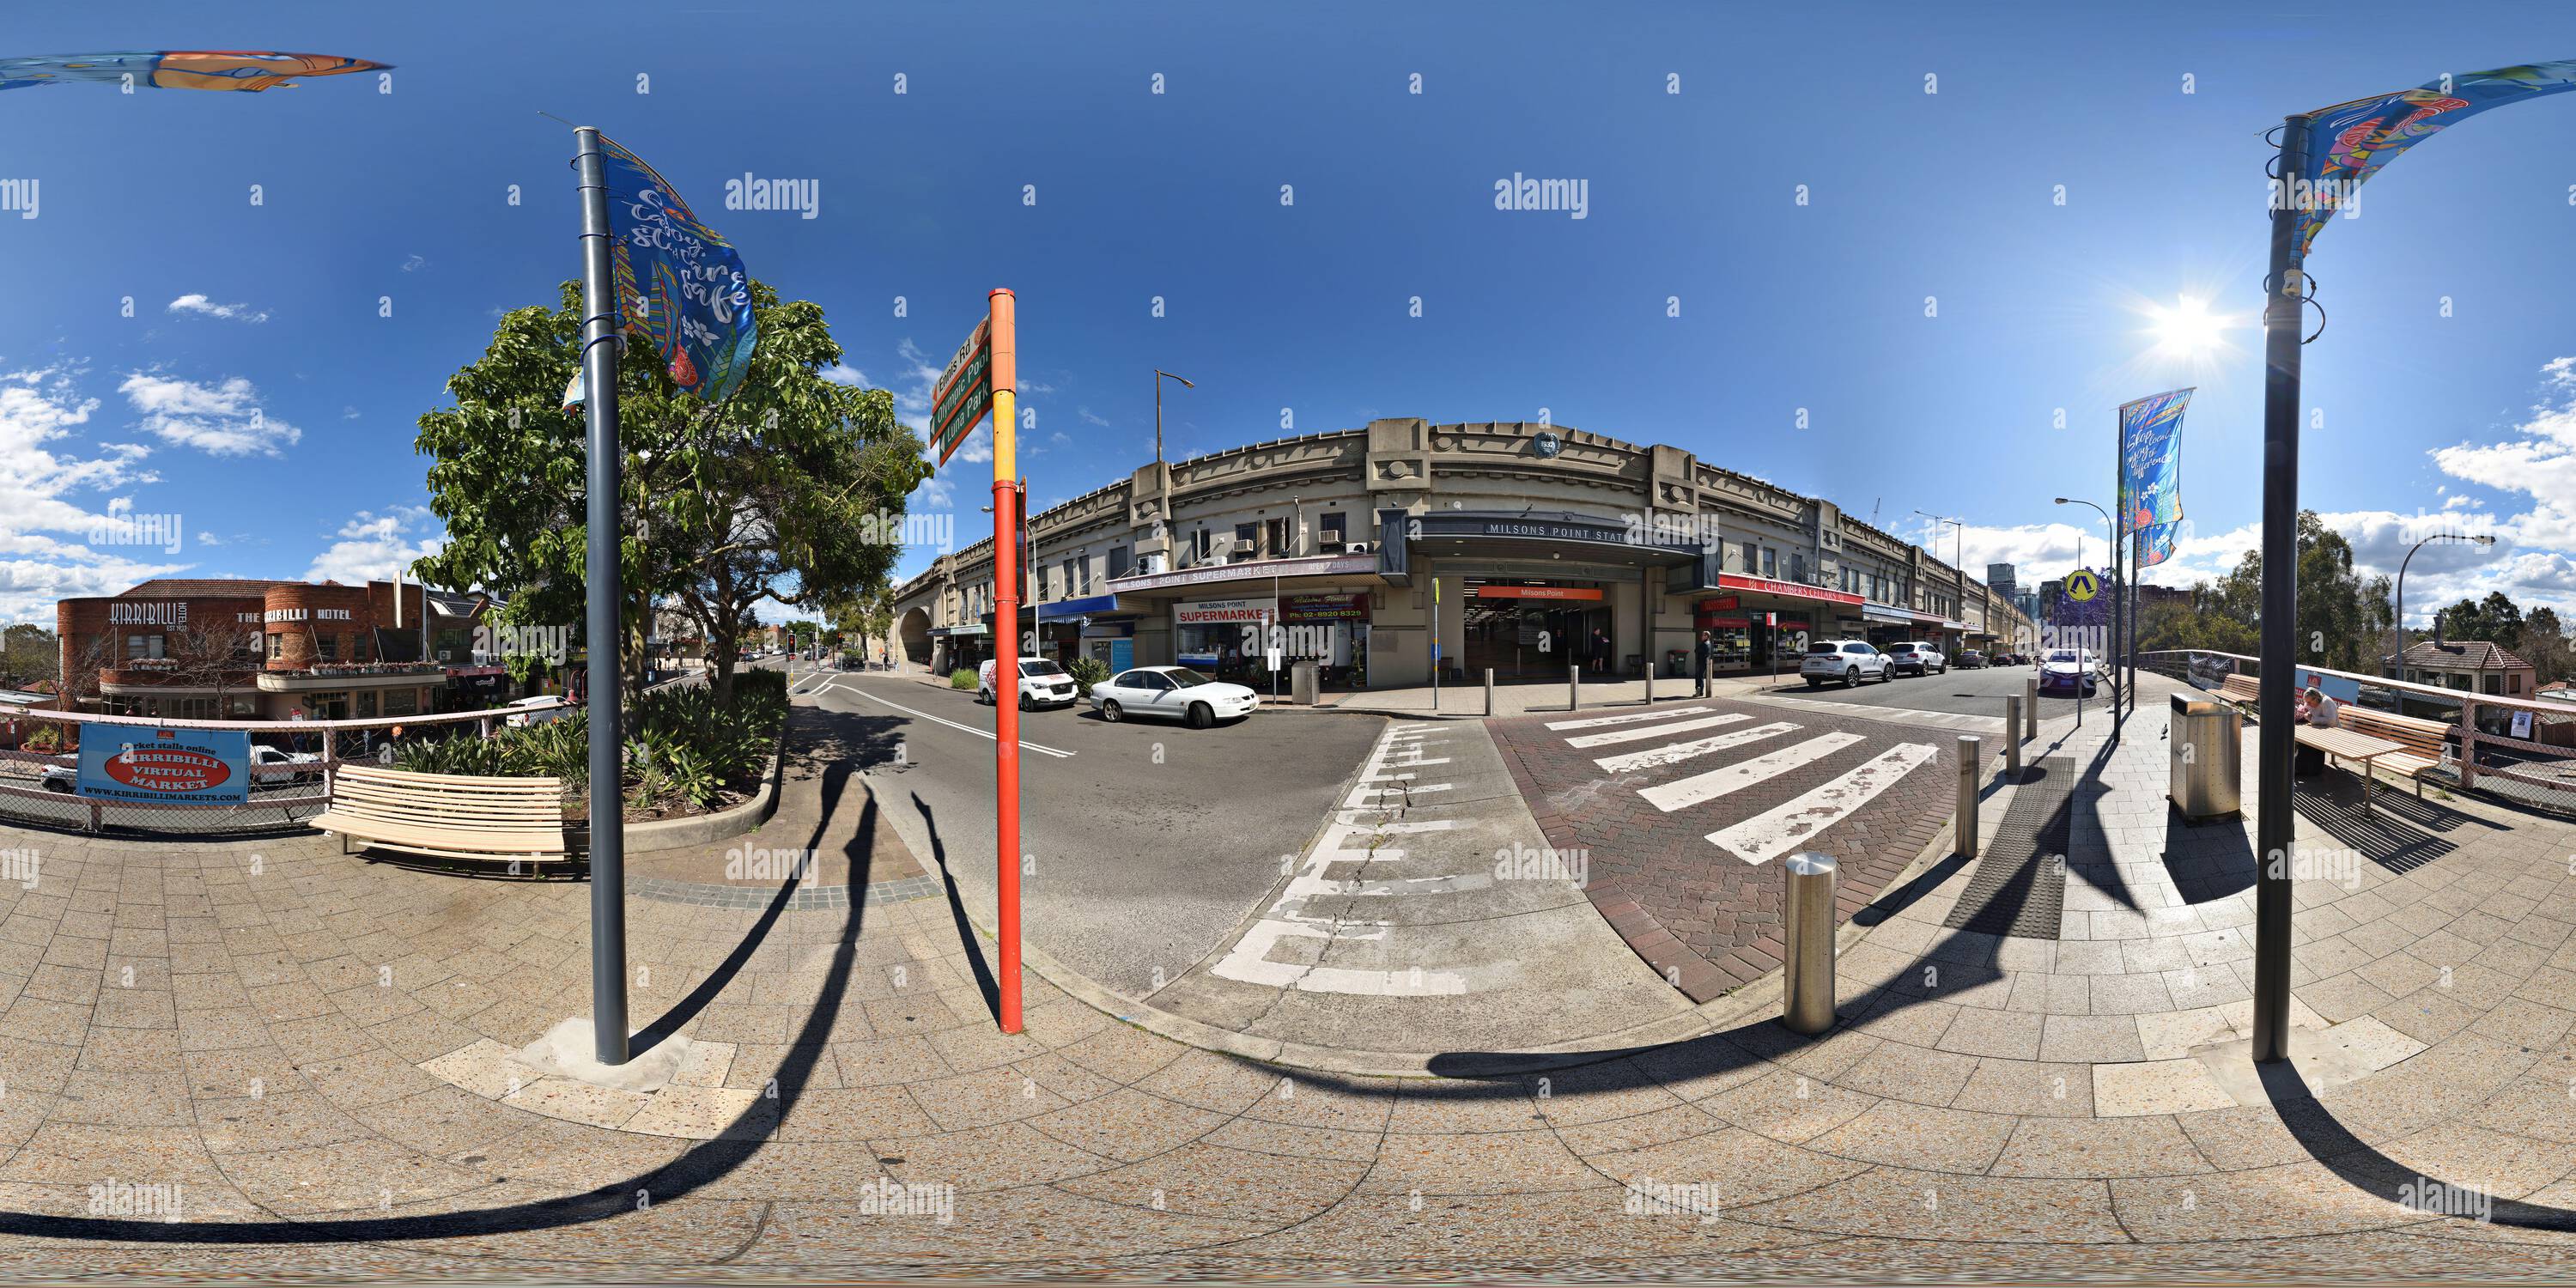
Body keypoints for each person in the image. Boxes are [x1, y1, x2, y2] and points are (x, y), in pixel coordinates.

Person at [2294, 684, 2336, 778]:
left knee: (2311, 742)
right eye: (2306, 702)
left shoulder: (2326, 702)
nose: (2307, 704)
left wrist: (2313, 719)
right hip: (2319, 729)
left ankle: (2309, 768)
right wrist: (2307, 714)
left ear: (2316, 698)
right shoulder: (2312, 702)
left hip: (2333, 732)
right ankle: (2301, 767)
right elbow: (2310, 711)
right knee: (2303, 740)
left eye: (2309, 702)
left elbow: (2332, 721)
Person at [1693, 629, 1713, 696]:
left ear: (1707, 636)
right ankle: (1700, 691)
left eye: (1703, 635)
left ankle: (1699, 690)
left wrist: (1698, 650)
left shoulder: (1704, 644)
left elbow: (1696, 650)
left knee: (1699, 676)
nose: (1702, 636)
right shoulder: (1709, 643)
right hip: (1705, 662)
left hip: (1701, 662)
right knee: (1700, 676)